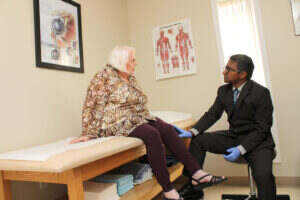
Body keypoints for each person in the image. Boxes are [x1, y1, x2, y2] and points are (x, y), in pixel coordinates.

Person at [70, 46, 226, 200]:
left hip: (138, 117)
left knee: (167, 129)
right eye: (133, 60)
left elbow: (138, 103)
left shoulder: (130, 77)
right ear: (121, 61)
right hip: (115, 122)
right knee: (151, 134)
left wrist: (151, 118)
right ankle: (168, 189)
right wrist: (88, 133)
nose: (136, 63)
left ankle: (197, 174)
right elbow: (90, 105)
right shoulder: (103, 77)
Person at [176, 54, 276, 200]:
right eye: (226, 68)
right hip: (234, 136)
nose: (224, 72)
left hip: (258, 142)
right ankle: (194, 186)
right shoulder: (224, 91)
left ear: (242, 74)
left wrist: (241, 149)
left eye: (229, 69)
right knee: (198, 140)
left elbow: (263, 128)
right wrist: (192, 131)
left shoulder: (261, 93)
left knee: (263, 176)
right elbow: (212, 114)